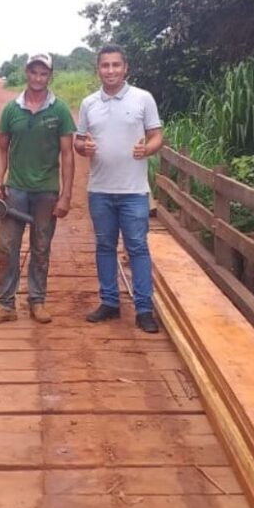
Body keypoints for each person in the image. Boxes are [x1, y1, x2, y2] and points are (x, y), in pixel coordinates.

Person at [73, 44, 163, 333]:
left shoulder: (143, 99)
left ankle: (144, 309)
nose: (110, 70)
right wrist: (83, 146)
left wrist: (147, 150)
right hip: (99, 189)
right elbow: (78, 141)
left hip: (134, 190)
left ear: (126, 68)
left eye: (116, 65)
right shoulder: (88, 104)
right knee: (104, 246)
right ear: (97, 69)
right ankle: (110, 302)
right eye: (105, 65)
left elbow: (157, 136)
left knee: (137, 247)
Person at [0, 52, 75, 325]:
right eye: (33, 72)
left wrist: (66, 195)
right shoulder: (12, 109)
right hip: (16, 191)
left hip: (47, 192)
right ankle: (5, 305)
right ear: (26, 73)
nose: (38, 77)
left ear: (50, 76)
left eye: (43, 73)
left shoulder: (59, 110)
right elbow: (1, 149)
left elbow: (68, 154)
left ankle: (37, 301)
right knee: (7, 246)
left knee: (41, 246)